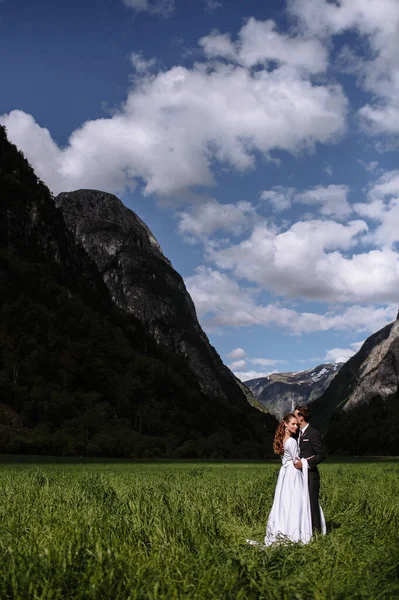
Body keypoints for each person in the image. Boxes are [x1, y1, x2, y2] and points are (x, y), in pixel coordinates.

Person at [263, 413, 313, 546]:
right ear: (285, 424)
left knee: (285, 502)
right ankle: (293, 531)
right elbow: (296, 461)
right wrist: (307, 460)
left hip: (285, 473)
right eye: (293, 424)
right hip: (293, 474)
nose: (296, 426)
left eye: (297, 424)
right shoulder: (291, 441)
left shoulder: (283, 439)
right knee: (295, 501)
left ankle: (284, 529)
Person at [294, 405, 326, 533]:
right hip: (298, 475)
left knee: (312, 503)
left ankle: (316, 533)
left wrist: (306, 463)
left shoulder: (313, 433)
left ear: (301, 418)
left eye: (295, 415)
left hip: (311, 475)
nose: (293, 417)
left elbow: (321, 454)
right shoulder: (297, 434)